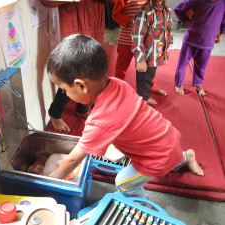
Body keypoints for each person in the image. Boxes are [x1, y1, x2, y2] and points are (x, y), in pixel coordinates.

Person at [47, 34, 204, 199]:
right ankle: (186, 157)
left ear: (81, 86)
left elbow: (72, 160)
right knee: (169, 154)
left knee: (123, 182)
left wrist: (52, 181)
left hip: (157, 156)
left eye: (63, 89)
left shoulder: (99, 122)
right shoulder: (116, 83)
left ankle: (141, 203)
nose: (64, 93)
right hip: (166, 135)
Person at [41, 0, 114, 132]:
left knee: (90, 70)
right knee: (71, 74)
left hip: (96, 25)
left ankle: (82, 108)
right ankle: (55, 112)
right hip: (75, 28)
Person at [112, 0, 167, 104]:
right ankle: (118, 89)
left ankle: (151, 86)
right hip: (126, 40)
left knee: (148, 68)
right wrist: (131, 20)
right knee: (121, 68)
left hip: (145, 44)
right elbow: (115, 14)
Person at [173, 0, 225, 96]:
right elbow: (178, 9)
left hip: (208, 42)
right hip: (191, 39)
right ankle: (178, 83)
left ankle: (197, 83)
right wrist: (185, 20)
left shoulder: (222, 2)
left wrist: (222, 32)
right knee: (182, 63)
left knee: (201, 66)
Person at [131, 0, 172, 105]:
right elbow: (137, 36)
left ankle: (148, 91)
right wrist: (140, 59)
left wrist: (167, 49)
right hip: (146, 55)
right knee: (144, 77)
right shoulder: (145, 12)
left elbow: (168, 30)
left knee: (150, 74)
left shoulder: (166, 9)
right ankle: (143, 98)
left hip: (157, 52)